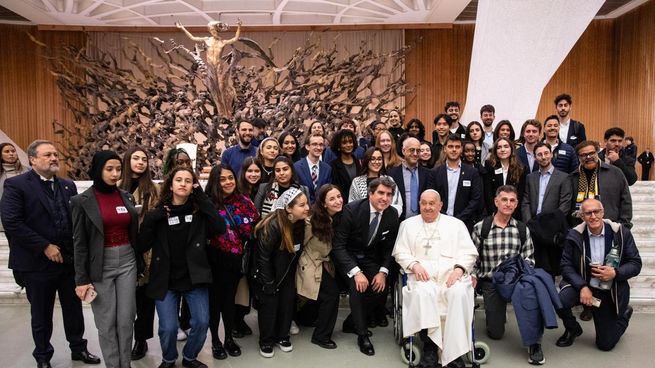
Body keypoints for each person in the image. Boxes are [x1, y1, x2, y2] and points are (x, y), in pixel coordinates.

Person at [1, 140, 100, 368]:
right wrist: (44, 246)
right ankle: (43, 356)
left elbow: (74, 221)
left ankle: (79, 348)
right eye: (48, 155)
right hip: (36, 264)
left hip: (67, 262)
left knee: (74, 309)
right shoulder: (16, 185)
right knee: (42, 314)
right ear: (33, 159)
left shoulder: (67, 185)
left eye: (56, 154)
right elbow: (12, 222)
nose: (54, 158)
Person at [137, 166, 226, 368]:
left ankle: (189, 357)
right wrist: (151, 219)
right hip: (166, 280)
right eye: (179, 180)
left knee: (202, 323)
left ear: (193, 185)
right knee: (168, 328)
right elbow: (142, 245)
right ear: (171, 184)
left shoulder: (199, 212)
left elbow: (219, 228)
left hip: (194, 278)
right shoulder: (159, 214)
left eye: (188, 180)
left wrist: (201, 196)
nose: (183, 183)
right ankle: (168, 358)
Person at [392, 190, 478, 368]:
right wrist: (414, 264)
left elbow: (469, 252)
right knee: (424, 293)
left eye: (432, 203)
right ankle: (430, 347)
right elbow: (400, 252)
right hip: (421, 277)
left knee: (459, 293)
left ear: (440, 205)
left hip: (451, 276)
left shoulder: (456, 224)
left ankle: (455, 352)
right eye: (423, 203)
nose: (427, 207)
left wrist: (459, 269)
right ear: (419, 204)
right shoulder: (407, 225)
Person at [71, 151, 139, 368]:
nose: (115, 174)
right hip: (100, 265)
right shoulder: (81, 201)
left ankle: (125, 364)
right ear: (98, 169)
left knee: (126, 319)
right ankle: (113, 364)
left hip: (128, 260)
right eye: (109, 169)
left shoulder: (126, 196)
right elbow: (79, 243)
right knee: (106, 322)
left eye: (118, 169)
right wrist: (81, 279)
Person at [471, 186, 546, 365]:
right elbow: (472, 258)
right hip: (492, 281)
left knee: (531, 296)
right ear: (496, 202)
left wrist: (522, 275)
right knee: (496, 334)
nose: (508, 204)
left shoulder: (522, 229)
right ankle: (497, 315)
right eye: (504, 200)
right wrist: (473, 275)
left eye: (512, 200)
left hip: (516, 280)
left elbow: (529, 259)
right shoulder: (481, 228)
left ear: (516, 204)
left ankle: (535, 344)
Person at [555, 199, 641, 351]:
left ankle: (624, 315)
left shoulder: (621, 233)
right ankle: (572, 328)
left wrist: (615, 272)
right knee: (558, 300)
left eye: (596, 212)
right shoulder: (574, 235)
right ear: (582, 216)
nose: (593, 216)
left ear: (603, 213)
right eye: (588, 213)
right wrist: (582, 286)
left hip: (608, 290)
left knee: (605, 345)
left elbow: (635, 263)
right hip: (583, 284)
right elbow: (565, 265)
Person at [332, 177, 400, 356]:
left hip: (369, 258)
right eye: (380, 193)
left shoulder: (392, 215)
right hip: (347, 257)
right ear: (371, 193)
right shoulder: (352, 210)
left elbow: (389, 249)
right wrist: (356, 272)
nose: (384, 198)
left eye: (389, 194)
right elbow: (338, 246)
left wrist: (383, 272)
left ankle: (351, 323)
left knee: (380, 290)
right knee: (358, 288)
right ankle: (362, 335)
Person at [205, 164, 259, 361]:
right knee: (214, 303)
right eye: (222, 179)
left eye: (230, 178)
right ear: (214, 182)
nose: (228, 182)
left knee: (229, 301)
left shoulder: (244, 201)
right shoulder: (207, 203)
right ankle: (215, 342)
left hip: (235, 261)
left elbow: (255, 226)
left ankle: (228, 338)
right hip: (212, 259)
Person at [253, 188, 310, 358]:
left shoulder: (300, 223)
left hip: (286, 273)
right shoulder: (272, 226)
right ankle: (266, 341)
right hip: (267, 275)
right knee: (269, 307)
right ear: (289, 208)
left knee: (287, 304)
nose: (307, 207)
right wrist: (269, 284)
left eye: (307, 203)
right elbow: (263, 259)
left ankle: (282, 336)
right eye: (302, 205)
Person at [117, 147, 160, 361]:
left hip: (147, 251)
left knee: (144, 301)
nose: (140, 162)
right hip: (120, 249)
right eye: (136, 158)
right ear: (127, 161)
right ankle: (122, 338)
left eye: (144, 159)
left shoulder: (153, 189)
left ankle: (141, 339)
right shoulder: (115, 187)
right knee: (124, 301)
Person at [296, 184, 342, 349]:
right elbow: (301, 244)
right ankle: (321, 336)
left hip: (323, 262)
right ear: (323, 203)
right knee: (331, 294)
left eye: (339, 196)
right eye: (332, 199)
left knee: (321, 296)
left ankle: (307, 320)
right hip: (310, 263)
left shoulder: (336, 216)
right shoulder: (312, 221)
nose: (337, 201)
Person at [522, 142, 572, 275]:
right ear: (535, 157)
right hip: (534, 227)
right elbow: (526, 201)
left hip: (552, 229)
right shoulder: (530, 177)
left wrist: (550, 224)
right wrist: (529, 222)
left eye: (546, 153)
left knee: (552, 266)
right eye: (539, 154)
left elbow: (565, 205)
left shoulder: (564, 177)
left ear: (551, 154)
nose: (543, 157)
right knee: (537, 265)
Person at [570, 141, 632, 227]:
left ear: (597, 152)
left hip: (610, 226)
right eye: (584, 155)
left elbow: (626, 200)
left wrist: (624, 224)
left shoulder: (615, 173)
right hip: (580, 228)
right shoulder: (573, 177)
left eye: (591, 153)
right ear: (578, 157)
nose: (588, 157)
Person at [432, 134, 483, 232]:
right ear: (445, 149)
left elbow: (475, 199)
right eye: (450, 146)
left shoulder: (472, 172)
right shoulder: (435, 172)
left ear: (461, 150)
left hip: (464, 223)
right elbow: (433, 197)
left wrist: (460, 218)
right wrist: (444, 217)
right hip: (439, 222)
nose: (454, 150)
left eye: (457, 147)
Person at [348, 147, 404, 216]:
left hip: (386, 223)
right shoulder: (357, 182)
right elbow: (352, 206)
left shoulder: (389, 180)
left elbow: (398, 205)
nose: (376, 162)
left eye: (379, 159)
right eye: (372, 159)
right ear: (367, 160)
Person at [389, 137, 434, 220]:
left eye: (418, 150)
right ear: (403, 151)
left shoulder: (428, 174)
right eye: (412, 150)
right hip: (399, 221)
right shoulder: (392, 174)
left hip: (422, 220)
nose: (415, 153)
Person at [482, 137, 526, 218]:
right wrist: (493, 212)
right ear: (495, 151)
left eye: (506, 146)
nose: (502, 150)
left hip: (514, 212)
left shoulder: (520, 168)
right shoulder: (489, 166)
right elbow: (488, 192)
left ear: (511, 149)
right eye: (499, 147)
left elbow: (520, 193)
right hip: (494, 211)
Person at [294, 134, 332, 203]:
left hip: (321, 209)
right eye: (314, 144)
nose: (318, 147)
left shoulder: (327, 168)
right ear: (307, 146)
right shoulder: (297, 167)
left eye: (321, 145)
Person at [0, 142, 28, 231]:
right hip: (4, 216)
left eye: (13, 151)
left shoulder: (28, 171)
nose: (11, 154)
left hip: (26, 214)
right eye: (7, 151)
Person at [330, 129, 361, 201]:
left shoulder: (360, 162)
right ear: (338, 145)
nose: (348, 145)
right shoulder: (333, 165)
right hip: (343, 205)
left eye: (350, 142)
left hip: (360, 204)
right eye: (344, 143)